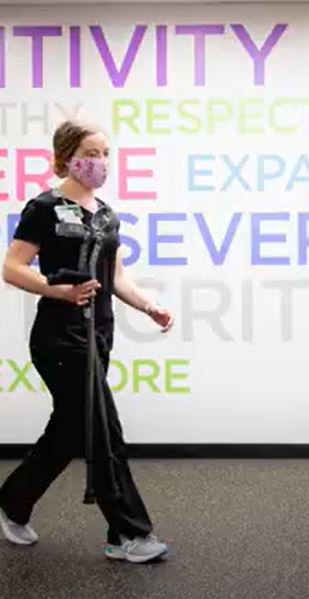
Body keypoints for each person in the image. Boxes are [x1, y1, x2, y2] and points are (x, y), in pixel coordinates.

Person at [0, 120, 174, 564]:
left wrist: (149, 306)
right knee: (104, 430)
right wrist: (57, 290)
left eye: (105, 154)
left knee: (71, 430)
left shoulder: (106, 214)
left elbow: (115, 277)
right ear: (66, 157)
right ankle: (128, 534)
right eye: (91, 154)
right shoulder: (44, 207)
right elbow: (13, 267)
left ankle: (12, 501)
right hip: (60, 339)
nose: (100, 162)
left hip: (98, 335)